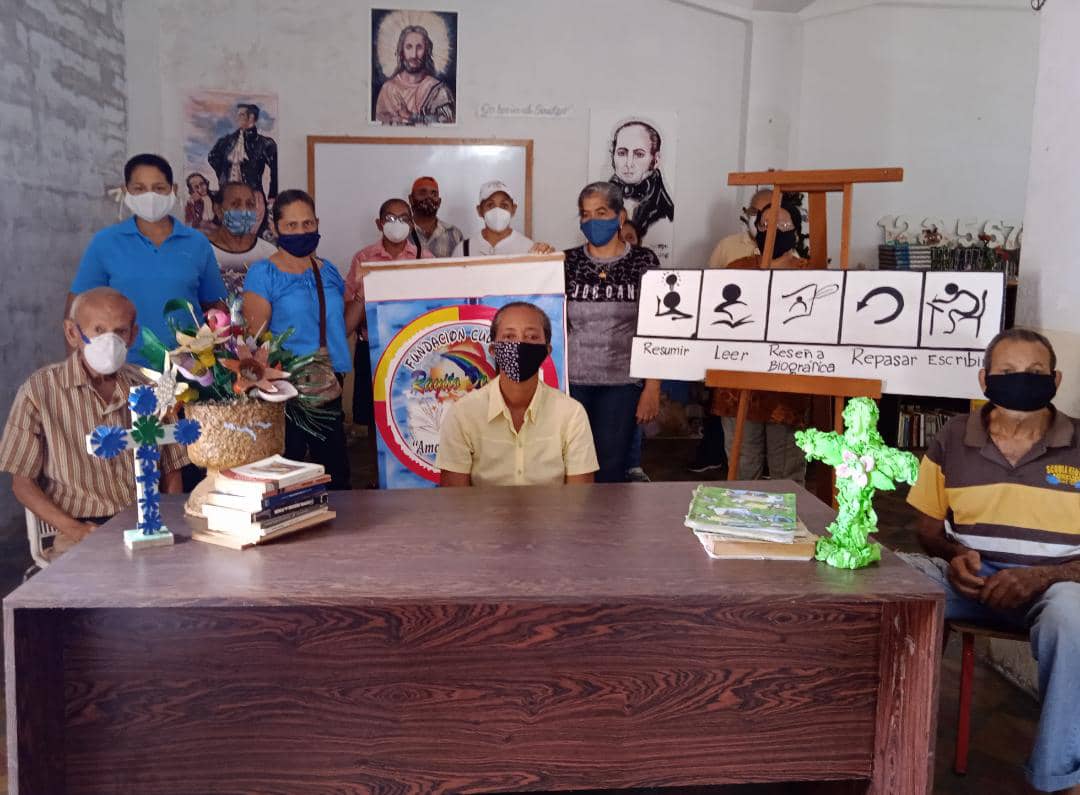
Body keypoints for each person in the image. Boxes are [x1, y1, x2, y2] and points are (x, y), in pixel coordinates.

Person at [903, 328, 1080, 795]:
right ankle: (891, 740)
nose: (1022, 380)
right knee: (893, 585)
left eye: (1035, 372)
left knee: (1075, 617)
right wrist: (956, 557)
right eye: (1007, 371)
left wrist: (1043, 577)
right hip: (969, 583)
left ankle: (1062, 777)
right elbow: (927, 529)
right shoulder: (953, 437)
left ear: (1056, 380)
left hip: (1058, 588)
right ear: (984, 380)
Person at [0, 288, 186, 560]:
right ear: (72, 333)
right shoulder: (39, 391)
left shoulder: (151, 387)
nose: (109, 342)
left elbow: (172, 471)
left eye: (120, 331)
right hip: (78, 529)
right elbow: (22, 483)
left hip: (145, 521)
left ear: (133, 335)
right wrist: (76, 530)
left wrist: (167, 522)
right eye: (98, 330)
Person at [242, 190, 357, 490]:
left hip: (327, 382)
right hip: (283, 389)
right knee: (286, 474)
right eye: (291, 225)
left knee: (334, 472)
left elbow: (339, 328)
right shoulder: (263, 273)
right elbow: (255, 341)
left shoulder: (328, 271)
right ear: (275, 227)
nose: (301, 231)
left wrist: (363, 296)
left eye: (307, 224)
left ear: (317, 223)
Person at [68, 153, 228, 367]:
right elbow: (77, 310)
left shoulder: (197, 243)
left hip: (190, 370)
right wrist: (79, 371)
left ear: (174, 190)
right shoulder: (106, 242)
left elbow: (216, 307)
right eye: (139, 188)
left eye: (159, 188)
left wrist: (218, 366)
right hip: (121, 368)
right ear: (126, 191)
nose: (150, 196)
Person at [437, 302, 597, 487]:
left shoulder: (572, 414)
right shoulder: (463, 414)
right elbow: (455, 498)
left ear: (547, 351)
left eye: (532, 336)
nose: (520, 344)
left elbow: (579, 497)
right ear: (493, 350)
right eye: (509, 336)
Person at [710, 200, 815, 483]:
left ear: (796, 231)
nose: (773, 230)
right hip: (738, 386)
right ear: (756, 229)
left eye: (783, 224)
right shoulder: (737, 269)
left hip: (788, 388)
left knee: (787, 473)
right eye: (766, 224)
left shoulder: (810, 274)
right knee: (741, 468)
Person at [564, 181, 661, 483]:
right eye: (585, 214)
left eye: (601, 212)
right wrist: (538, 258)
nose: (592, 220)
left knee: (610, 468)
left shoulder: (643, 261)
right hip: (572, 383)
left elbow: (656, 327)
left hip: (622, 383)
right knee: (571, 466)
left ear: (620, 217)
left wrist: (652, 388)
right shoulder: (567, 262)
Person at [345, 198, 433, 430]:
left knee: (412, 413)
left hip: (413, 347)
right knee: (372, 418)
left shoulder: (424, 258)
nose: (397, 223)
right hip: (371, 347)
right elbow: (348, 316)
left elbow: (434, 305)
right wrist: (363, 290)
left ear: (412, 224)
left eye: (404, 218)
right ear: (379, 223)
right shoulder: (363, 259)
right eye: (390, 218)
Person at [207, 181, 277, 306]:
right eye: (235, 204)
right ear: (218, 209)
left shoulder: (269, 253)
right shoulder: (203, 251)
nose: (244, 210)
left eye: (250, 204)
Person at [374, 24, 455, 125]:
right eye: (409, 47)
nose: (414, 55)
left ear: (427, 51)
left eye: (419, 47)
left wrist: (412, 117)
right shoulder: (388, 90)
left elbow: (448, 122)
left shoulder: (438, 91)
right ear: (401, 51)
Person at [608, 121, 675, 242]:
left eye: (639, 154)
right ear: (613, 156)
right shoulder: (604, 196)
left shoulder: (664, 214)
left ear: (656, 160)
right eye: (622, 153)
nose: (629, 164)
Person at [452, 181, 554, 257]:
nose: (497, 211)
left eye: (504, 205)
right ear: (480, 210)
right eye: (490, 205)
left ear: (513, 209)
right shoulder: (463, 250)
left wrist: (548, 255)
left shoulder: (529, 249)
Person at [207, 103, 278, 202]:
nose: (237, 118)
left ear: (251, 117)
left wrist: (272, 195)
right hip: (228, 195)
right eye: (238, 115)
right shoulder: (227, 141)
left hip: (253, 196)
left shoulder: (265, 143)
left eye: (241, 115)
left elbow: (275, 170)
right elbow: (212, 157)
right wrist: (224, 175)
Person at [707, 188, 773, 269]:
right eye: (755, 212)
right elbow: (710, 276)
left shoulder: (784, 251)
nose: (761, 218)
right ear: (748, 214)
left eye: (767, 212)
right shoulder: (726, 246)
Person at [408, 176, 463, 257]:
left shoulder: (454, 234)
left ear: (439, 202)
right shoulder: (402, 232)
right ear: (411, 199)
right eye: (422, 193)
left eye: (434, 194)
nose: (428, 197)